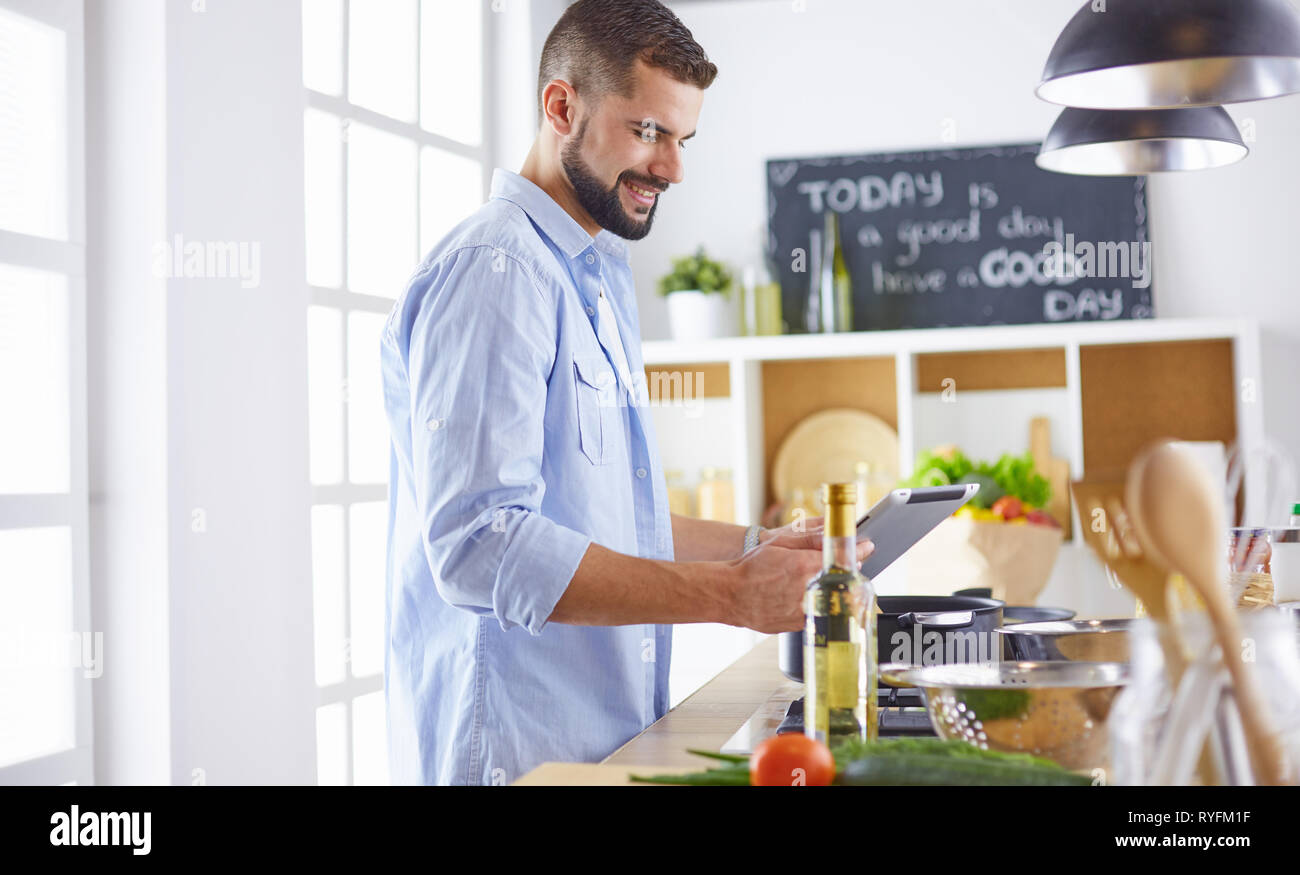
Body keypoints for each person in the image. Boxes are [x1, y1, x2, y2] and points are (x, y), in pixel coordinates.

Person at [380, 0, 872, 785]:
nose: (672, 167)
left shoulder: (595, 273)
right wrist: (729, 595)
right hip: (514, 756)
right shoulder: (496, 271)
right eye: (648, 132)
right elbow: (479, 546)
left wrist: (754, 548)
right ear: (562, 106)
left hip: (600, 741)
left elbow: (601, 516)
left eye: (682, 139)